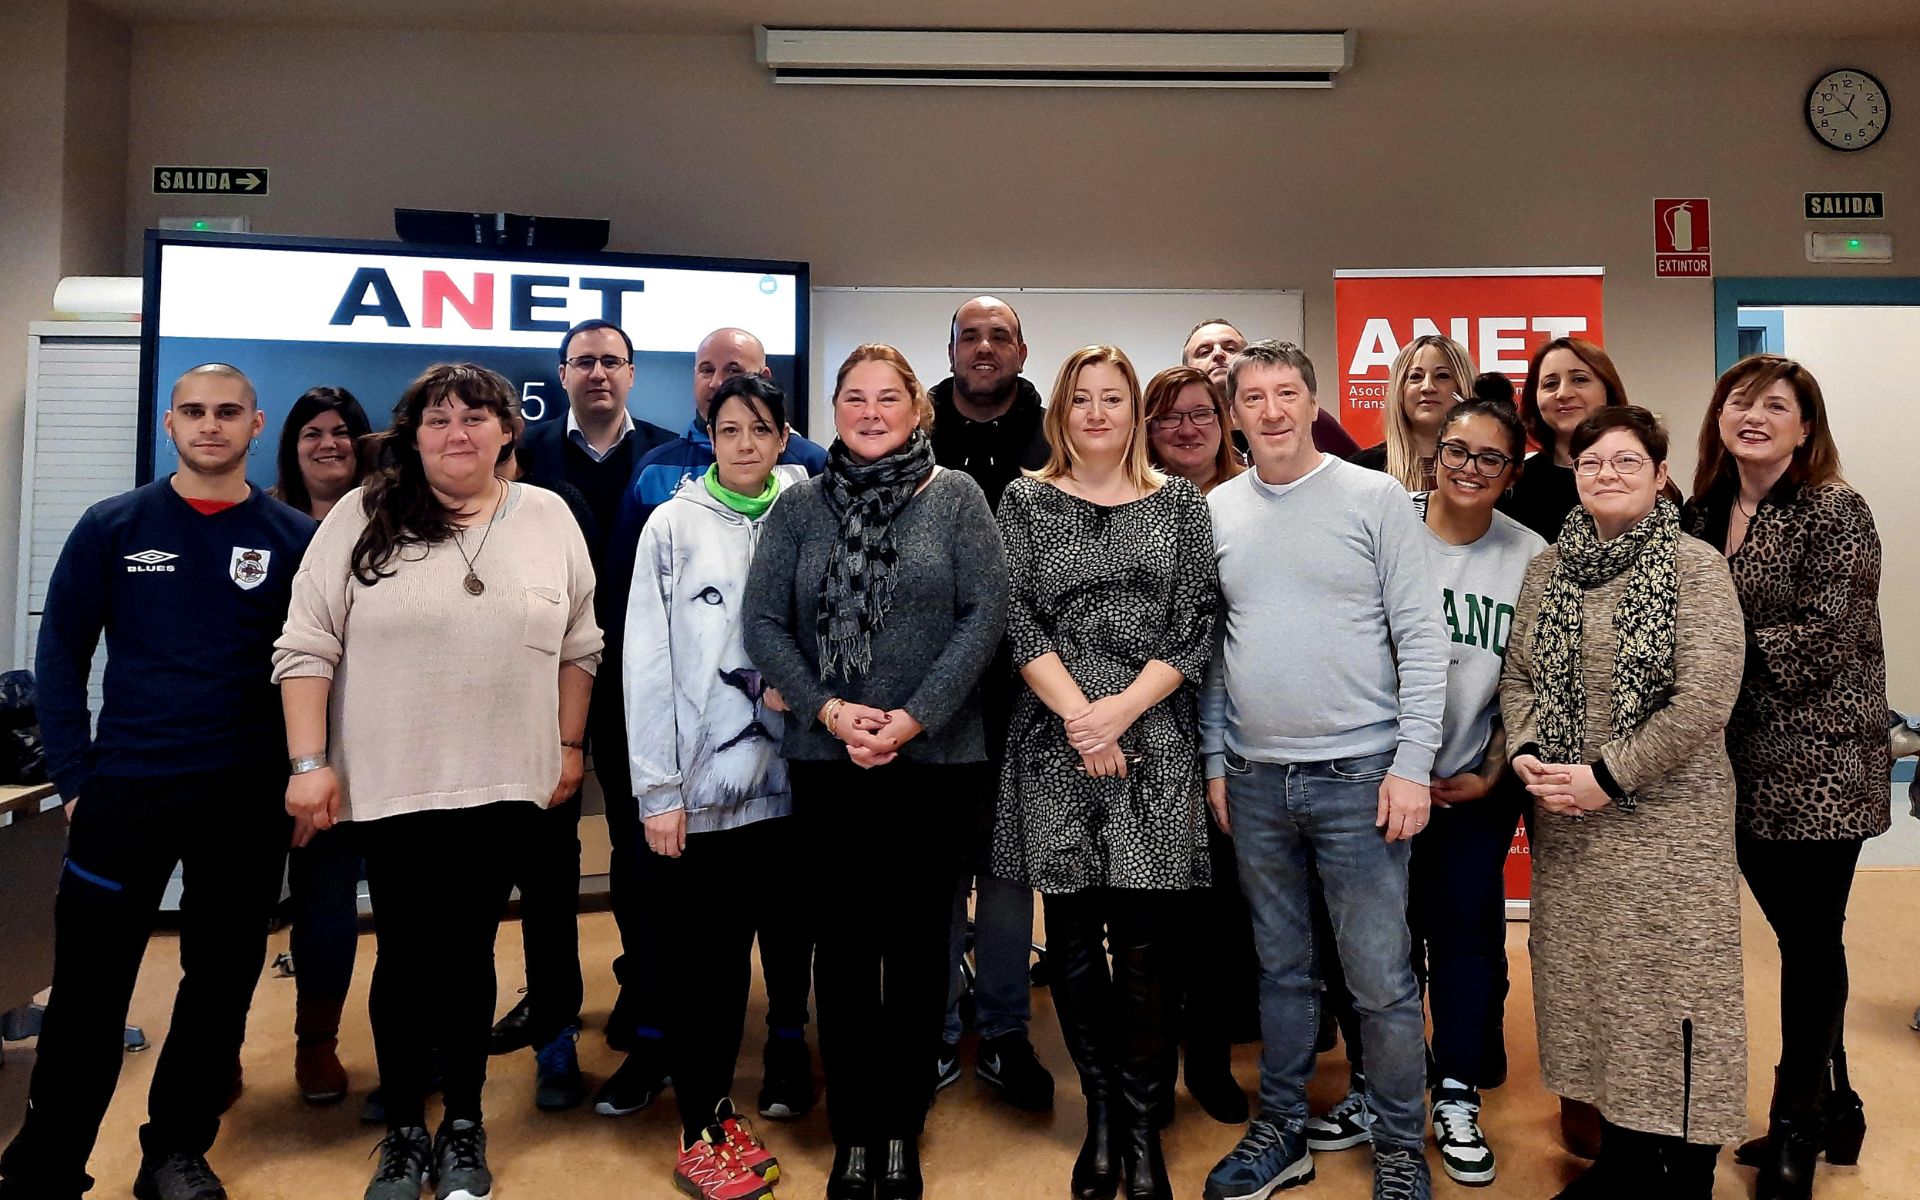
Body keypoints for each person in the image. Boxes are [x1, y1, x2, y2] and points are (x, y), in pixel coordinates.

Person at [275, 363, 602, 1200]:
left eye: (476, 417)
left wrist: (569, 746)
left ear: (507, 431)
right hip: (394, 780)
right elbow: (306, 645)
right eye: (438, 419)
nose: (457, 432)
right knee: (407, 956)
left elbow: (579, 646)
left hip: (504, 781)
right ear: (412, 435)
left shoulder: (549, 517)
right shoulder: (361, 514)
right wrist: (309, 766)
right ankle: (404, 1136)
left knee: (468, 954)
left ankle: (463, 1123)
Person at [0, 364, 316, 1200]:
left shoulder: (295, 539)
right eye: (193, 412)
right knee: (87, 999)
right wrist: (74, 779)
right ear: (169, 424)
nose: (210, 426)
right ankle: (44, 1164)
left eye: (227, 413)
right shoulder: (112, 526)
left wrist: (308, 779)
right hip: (123, 797)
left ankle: (174, 1152)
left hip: (245, 802)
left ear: (256, 425)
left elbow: (320, 670)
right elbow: (60, 657)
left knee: (218, 989)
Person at [744, 344, 1008, 1200]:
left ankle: (902, 1127)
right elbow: (763, 625)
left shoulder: (958, 498)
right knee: (845, 952)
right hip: (828, 762)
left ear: (916, 409)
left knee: (922, 948)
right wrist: (826, 709)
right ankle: (855, 1128)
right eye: (852, 397)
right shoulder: (800, 506)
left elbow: (984, 617)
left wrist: (910, 718)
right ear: (832, 410)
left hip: (936, 764)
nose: (869, 411)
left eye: (886, 397)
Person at [1200, 341, 1446, 1200]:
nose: (1270, 412)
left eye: (1287, 394)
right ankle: (1283, 1132)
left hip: (1362, 775)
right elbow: (1218, 654)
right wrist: (1215, 761)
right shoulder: (1216, 511)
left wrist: (1412, 766)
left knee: (1378, 980)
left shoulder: (1374, 498)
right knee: (1281, 971)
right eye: (1253, 398)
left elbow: (1422, 641)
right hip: (1257, 777)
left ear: (1314, 405)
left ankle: (1399, 1145)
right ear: (1234, 415)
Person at [1500, 406, 1746, 1198]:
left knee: (1676, 992)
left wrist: (1604, 777)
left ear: (1660, 473)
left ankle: (1688, 1169)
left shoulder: (1694, 565)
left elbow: (1706, 697)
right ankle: (1627, 1157)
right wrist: (1530, 756)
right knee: (1592, 986)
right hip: (1569, 825)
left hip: (1668, 824)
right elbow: (1520, 680)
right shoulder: (1548, 570)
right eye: (1592, 461)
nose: (1607, 473)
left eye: (1627, 460)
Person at [992, 345, 1216, 1200]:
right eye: (1080, 398)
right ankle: (1103, 1121)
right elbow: (1015, 618)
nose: (1096, 412)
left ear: (1134, 414)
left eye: (1112, 398)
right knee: (1078, 945)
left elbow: (1196, 624)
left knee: (1149, 950)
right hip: (1054, 745)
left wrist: (1117, 713)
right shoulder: (1025, 499)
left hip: (1152, 744)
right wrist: (1082, 720)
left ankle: (1143, 1123)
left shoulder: (1183, 505)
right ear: (1061, 411)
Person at [596, 325, 825, 1121]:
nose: (744, 442)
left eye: (760, 429)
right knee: (711, 962)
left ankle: (790, 1059)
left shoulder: (812, 507)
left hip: (800, 783)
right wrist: (658, 789)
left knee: (793, 937)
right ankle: (707, 1114)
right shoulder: (671, 521)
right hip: (706, 791)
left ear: (783, 435)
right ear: (709, 435)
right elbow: (645, 664)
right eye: (729, 429)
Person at [1682, 356, 1887, 1200]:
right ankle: (1836, 1102)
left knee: (1808, 942)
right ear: (1719, 417)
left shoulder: (1836, 510)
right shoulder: (1699, 510)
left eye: (1778, 405)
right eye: (1741, 401)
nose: (1756, 414)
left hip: (1819, 766)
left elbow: (1821, 640)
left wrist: (1701, 669)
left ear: (1807, 426)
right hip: (1727, 763)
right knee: (1801, 940)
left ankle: (1798, 1123)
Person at [500, 319, 671, 1114]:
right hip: (544, 682)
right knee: (545, 856)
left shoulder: (673, 457)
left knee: (645, 845)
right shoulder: (525, 459)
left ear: (632, 374)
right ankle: (555, 1025)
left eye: (612, 361)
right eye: (584, 362)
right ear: (562, 375)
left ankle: (643, 994)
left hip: (646, 681)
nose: (598, 373)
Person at [1405, 400, 1545, 1187]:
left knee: (1463, 934)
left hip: (1471, 785)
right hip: (1384, 783)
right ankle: (1384, 1083)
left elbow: (1529, 684)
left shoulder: (1531, 555)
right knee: (1384, 944)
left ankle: (1456, 1088)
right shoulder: (1387, 533)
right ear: (1436, 454)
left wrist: (1492, 770)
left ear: (1511, 475)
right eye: (1457, 450)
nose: (1468, 467)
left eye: (1489, 458)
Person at [926, 296, 1055, 1115]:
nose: (983, 348)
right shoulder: (909, 430)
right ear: (949, 350)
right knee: (939, 868)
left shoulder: (1055, 440)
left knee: (1009, 870)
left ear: (1021, 350)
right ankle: (936, 1027)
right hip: (930, 696)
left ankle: (1005, 1029)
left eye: (998, 336)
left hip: (1028, 692)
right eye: (969, 336)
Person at [1140, 363, 1255, 1126]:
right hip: (1148, 725)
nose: (1186, 428)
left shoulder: (1251, 502)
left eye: (1200, 414)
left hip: (1240, 735)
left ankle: (1208, 1059)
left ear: (1225, 423)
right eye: (1169, 416)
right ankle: (1147, 1063)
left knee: (1222, 912)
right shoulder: (1134, 502)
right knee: (1154, 918)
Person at [268, 385, 374, 1107]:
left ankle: (338, 1045)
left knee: (346, 902)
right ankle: (298, 1042)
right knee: (312, 907)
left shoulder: (392, 521)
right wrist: (305, 761)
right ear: (291, 443)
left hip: (374, 746)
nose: (329, 443)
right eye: (313, 432)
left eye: (342, 431)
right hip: (280, 751)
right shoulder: (264, 521)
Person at [1501, 338, 1629, 543]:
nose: (1563, 393)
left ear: (1608, 388)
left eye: (1579, 379)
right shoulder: (1512, 484)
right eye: (1550, 384)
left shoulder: (1638, 475)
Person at [1184, 318, 1358, 457]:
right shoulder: (1179, 431)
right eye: (1204, 352)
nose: (1218, 354)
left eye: (1230, 348)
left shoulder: (1306, 418)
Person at [1349, 334, 1476, 492]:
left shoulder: (1492, 469)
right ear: (1399, 390)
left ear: (1463, 387)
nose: (1427, 387)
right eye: (1415, 377)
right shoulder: (1362, 470)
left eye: (1442, 376)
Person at [1143, 365, 1245, 495]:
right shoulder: (1128, 502)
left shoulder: (1254, 492)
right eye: (1170, 417)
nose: (1188, 431)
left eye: (1201, 414)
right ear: (1148, 428)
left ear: (1220, 420)